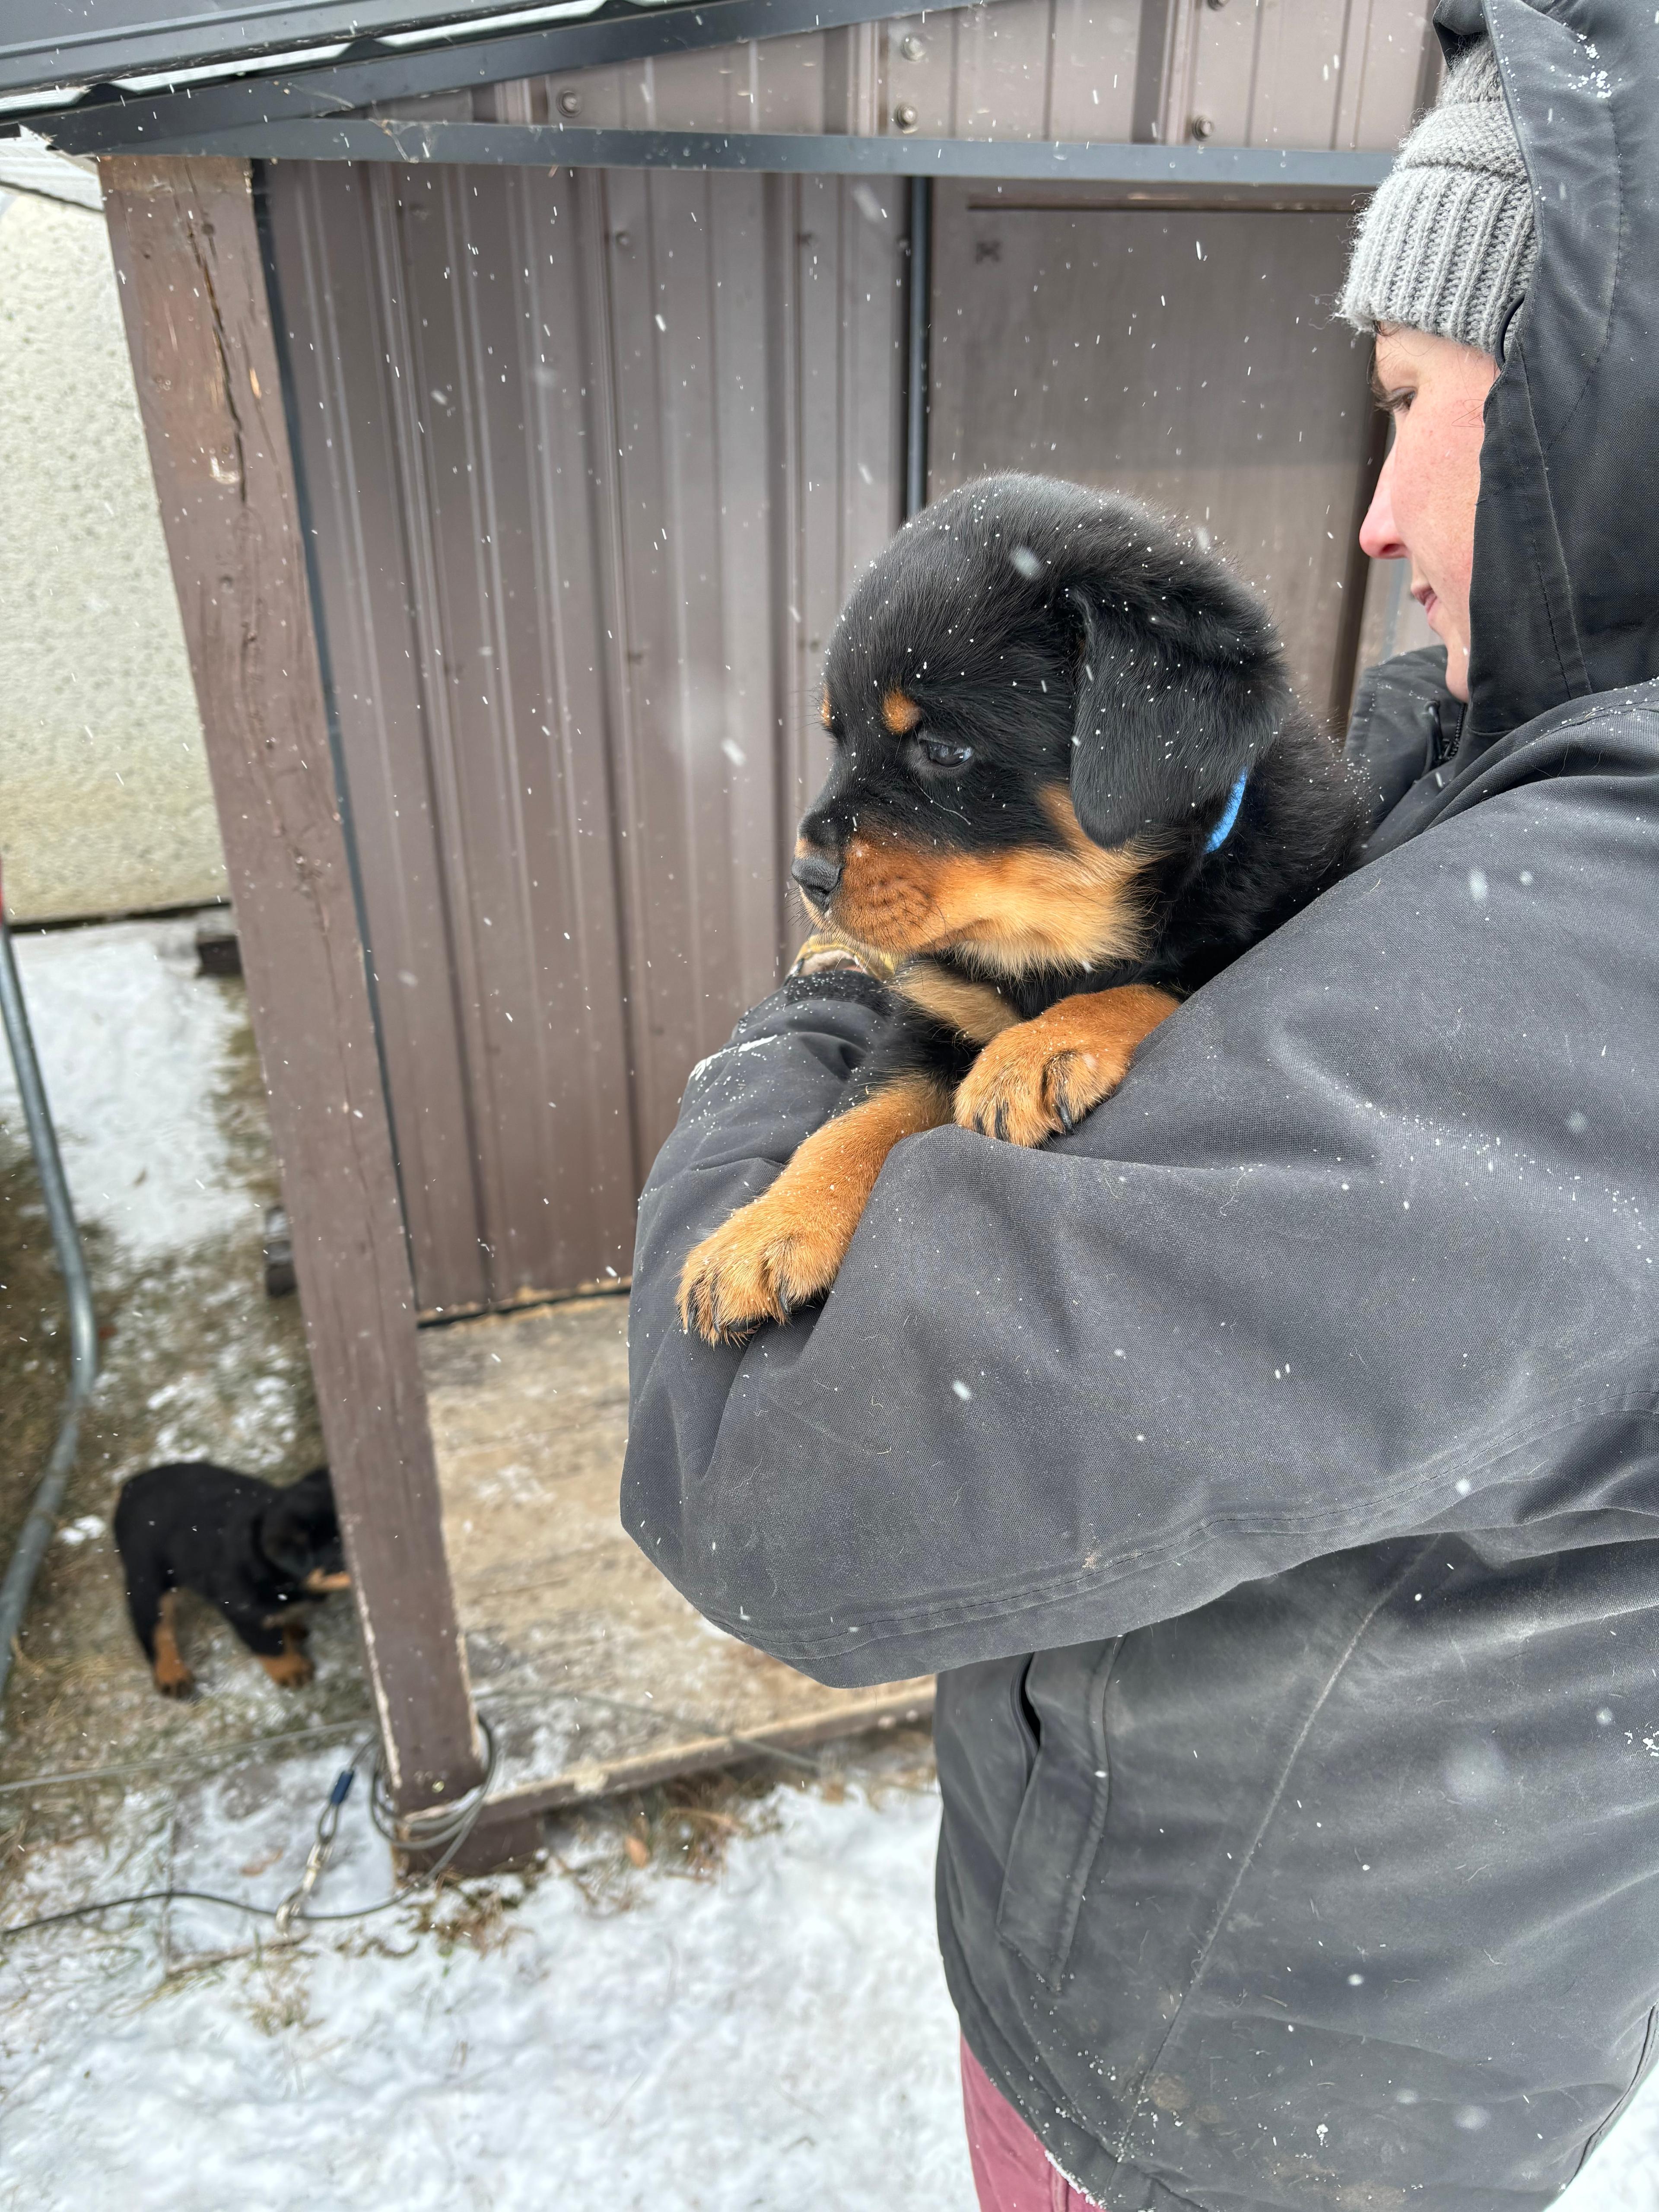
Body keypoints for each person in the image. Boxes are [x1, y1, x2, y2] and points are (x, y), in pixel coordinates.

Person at [622, 0, 1659, 2200]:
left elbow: (789, 1478)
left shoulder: (1601, 931)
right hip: (1296, 1989)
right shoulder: (1487, 746)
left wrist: (800, 1043)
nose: (1375, 515)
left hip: (1257, 2085)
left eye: (1421, 415)